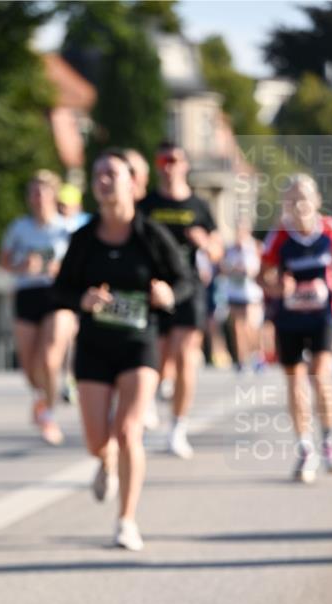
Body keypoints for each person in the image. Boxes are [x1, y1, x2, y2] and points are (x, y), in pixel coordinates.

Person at [53, 149, 194, 551]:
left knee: (129, 430)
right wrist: (81, 300)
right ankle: (105, 460)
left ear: (132, 182)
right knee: (97, 441)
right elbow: (60, 289)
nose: (104, 180)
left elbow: (185, 281)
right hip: (95, 347)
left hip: (138, 344)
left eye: (112, 173)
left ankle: (127, 520)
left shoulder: (150, 235)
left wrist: (168, 293)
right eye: (98, 173)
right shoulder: (84, 239)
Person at [262, 174, 332, 483]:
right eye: (292, 199)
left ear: (317, 201)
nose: (300, 204)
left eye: (305, 198)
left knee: (320, 374)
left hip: (323, 315)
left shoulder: (331, 229)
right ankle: (305, 448)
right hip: (289, 317)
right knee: (295, 382)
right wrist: (278, 284)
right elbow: (264, 276)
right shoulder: (278, 236)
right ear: (285, 205)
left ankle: (328, 442)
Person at [140, 141, 221, 458]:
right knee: (160, 355)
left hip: (189, 288)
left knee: (187, 354)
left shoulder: (199, 207)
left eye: (175, 160)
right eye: (164, 160)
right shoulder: (147, 205)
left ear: (185, 165)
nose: (170, 165)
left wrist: (204, 243)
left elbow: (217, 252)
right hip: (155, 288)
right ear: (158, 165)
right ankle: (149, 399)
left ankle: (178, 427)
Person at [0, 170, 75, 446]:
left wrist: (59, 269)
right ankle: (41, 398)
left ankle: (50, 414)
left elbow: (80, 265)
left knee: (50, 356)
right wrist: (23, 266)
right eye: (34, 192)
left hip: (58, 294)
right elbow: (4, 262)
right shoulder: (19, 228)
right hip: (27, 292)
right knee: (30, 364)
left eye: (43, 191)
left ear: (54, 195)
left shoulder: (67, 228)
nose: (39, 197)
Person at [221, 222, 264, 370]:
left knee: (250, 327)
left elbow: (256, 270)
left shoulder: (255, 247)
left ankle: (256, 354)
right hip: (234, 293)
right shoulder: (230, 250)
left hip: (251, 293)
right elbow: (223, 268)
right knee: (238, 327)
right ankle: (240, 359)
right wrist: (232, 269)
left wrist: (243, 270)